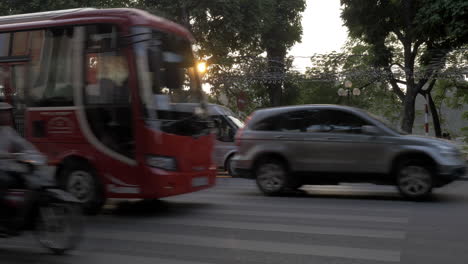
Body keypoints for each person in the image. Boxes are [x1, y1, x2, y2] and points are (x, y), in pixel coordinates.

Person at [0, 102, 44, 233]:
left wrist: (36, 156)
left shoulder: (8, 131)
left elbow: (24, 145)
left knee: (28, 182)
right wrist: (7, 155)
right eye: (3, 113)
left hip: (8, 169)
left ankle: (19, 218)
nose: (7, 116)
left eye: (8, 113)